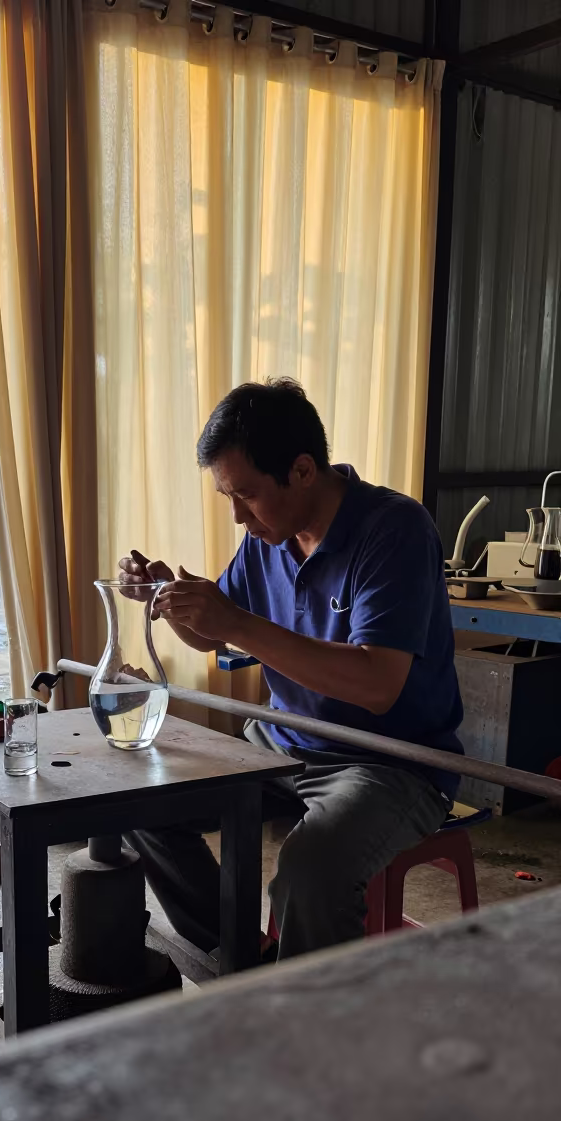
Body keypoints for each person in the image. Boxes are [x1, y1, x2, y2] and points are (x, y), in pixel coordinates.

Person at [119, 378, 463, 961]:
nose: (236, 516)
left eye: (245, 496)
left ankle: (307, 1027)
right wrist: (169, 599)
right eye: (228, 496)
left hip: (388, 762)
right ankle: (240, 962)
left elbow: (377, 685)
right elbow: (211, 638)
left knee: (309, 872)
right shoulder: (267, 538)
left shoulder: (394, 530)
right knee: (137, 800)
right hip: (283, 742)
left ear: (303, 471)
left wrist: (234, 622)